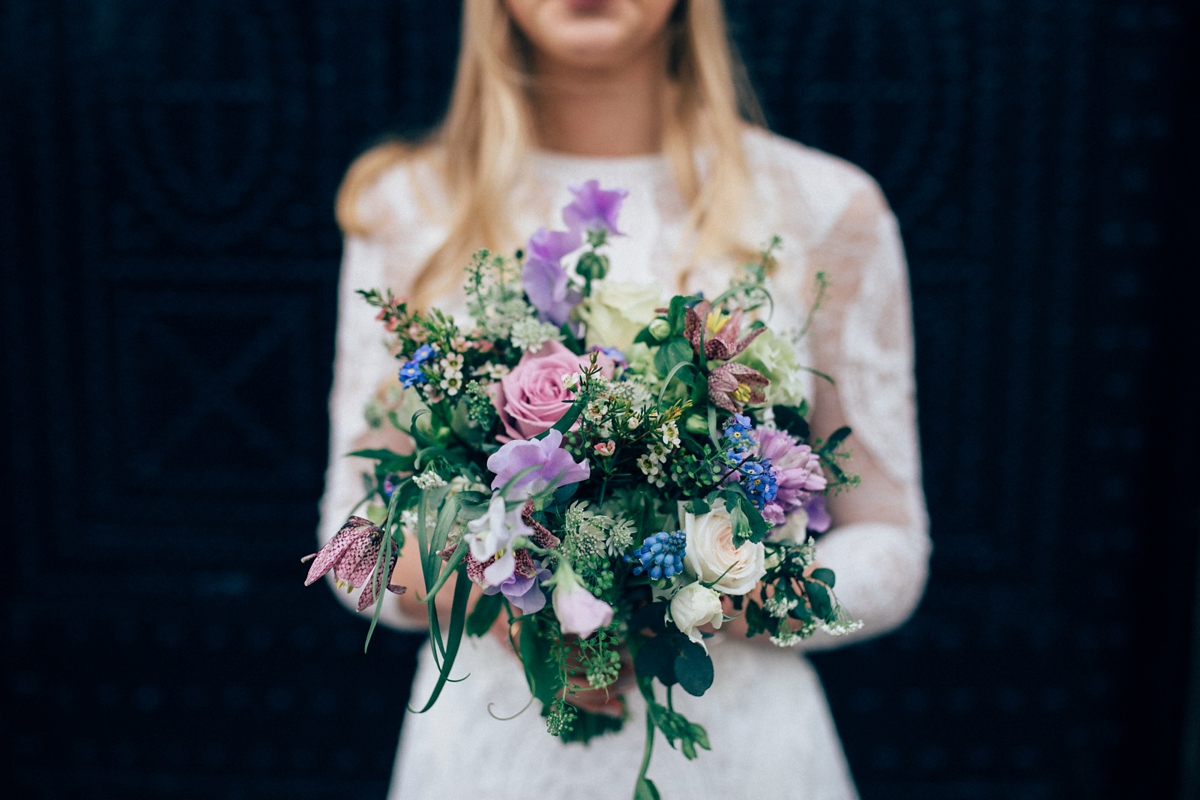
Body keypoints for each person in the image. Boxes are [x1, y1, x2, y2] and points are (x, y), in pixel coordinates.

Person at [318, 1, 931, 797]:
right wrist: (515, 601)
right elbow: (356, 542)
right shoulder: (407, 210)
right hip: (493, 759)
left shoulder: (826, 207)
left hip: (740, 763)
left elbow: (890, 544)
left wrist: (700, 595)